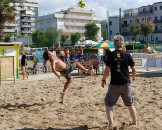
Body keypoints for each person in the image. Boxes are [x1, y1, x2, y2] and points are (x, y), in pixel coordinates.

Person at [101, 35, 137, 129]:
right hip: (126, 84)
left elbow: (107, 71)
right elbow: (134, 69)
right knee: (130, 105)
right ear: (123, 43)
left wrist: (103, 79)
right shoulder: (127, 54)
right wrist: (133, 77)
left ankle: (111, 124)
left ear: (114, 44)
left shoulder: (111, 55)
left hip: (114, 85)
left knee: (109, 105)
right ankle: (135, 123)